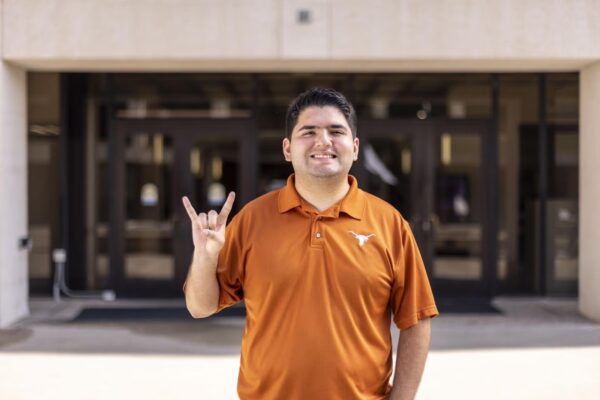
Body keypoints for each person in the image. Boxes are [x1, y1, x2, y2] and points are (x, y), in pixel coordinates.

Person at [182, 87, 438, 400]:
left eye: (336, 131)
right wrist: (204, 256)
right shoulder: (252, 219)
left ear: (355, 147)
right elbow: (200, 307)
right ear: (287, 149)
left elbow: (417, 318)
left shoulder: (389, 223)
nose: (323, 142)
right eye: (309, 132)